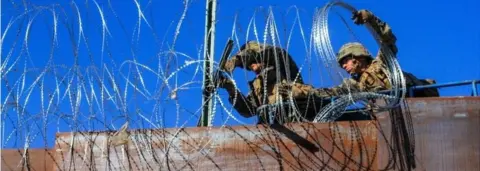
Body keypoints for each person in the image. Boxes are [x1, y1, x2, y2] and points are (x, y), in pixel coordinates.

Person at [278, 9, 439, 103]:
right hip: (390, 112)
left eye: (345, 61)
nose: (343, 66)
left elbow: (387, 39)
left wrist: (370, 20)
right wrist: (299, 91)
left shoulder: (383, 63)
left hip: (417, 101)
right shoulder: (355, 84)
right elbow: (327, 93)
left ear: (356, 57)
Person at [218, 41, 311, 124]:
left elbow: (272, 52)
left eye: (253, 61)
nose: (251, 66)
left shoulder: (283, 68)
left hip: (296, 121)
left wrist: (237, 60)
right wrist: (231, 88)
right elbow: (248, 110)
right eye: (248, 66)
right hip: (273, 129)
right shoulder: (258, 86)